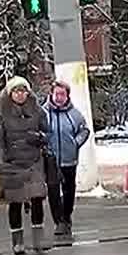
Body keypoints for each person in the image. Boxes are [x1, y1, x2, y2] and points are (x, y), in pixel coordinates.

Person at [0, 77, 51, 255]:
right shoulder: (1, 113)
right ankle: (17, 241)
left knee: (37, 198)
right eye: (16, 91)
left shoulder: (37, 110)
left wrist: (40, 137)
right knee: (15, 201)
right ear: (10, 93)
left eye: (23, 90)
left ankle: (38, 239)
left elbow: (48, 133)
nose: (20, 94)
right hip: (13, 163)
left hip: (34, 161)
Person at [44, 80, 90, 244]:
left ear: (67, 96)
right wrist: (45, 146)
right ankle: (59, 221)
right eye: (56, 94)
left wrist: (76, 142)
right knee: (53, 190)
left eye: (62, 94)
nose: (59, 97)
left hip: (70, 158)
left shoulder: (74, 114)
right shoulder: (44, 113)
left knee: (69, 190)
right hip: (51, 159)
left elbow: (85, 130)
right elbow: (38, 131)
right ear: (51, 94)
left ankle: (66, 215)